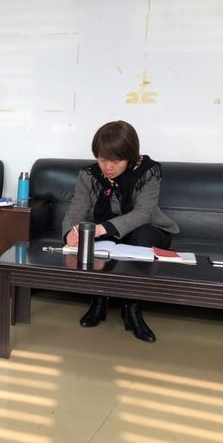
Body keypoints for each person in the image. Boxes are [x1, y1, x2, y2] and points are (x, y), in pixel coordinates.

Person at [62, 120, 178, 342]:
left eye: (116, 161)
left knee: (141, 237)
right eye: (102, 159)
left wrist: (101, 229)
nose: (108, 167)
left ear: (130, 157)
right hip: (107, 231)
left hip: (146, 229)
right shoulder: (89, 174)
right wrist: (70, 233)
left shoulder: (148, 171)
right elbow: (75, 209)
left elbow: (144, 212)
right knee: (89, 238)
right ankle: (99, 300)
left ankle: (132, 307)